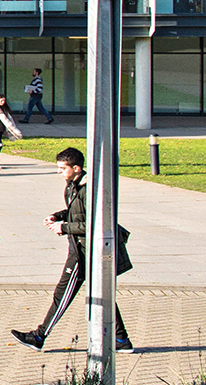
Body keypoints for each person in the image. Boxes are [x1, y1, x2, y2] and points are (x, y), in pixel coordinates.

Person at [11, 147, 134, 353]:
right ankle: (121, 340)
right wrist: (58, 216)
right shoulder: (72, 186)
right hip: (82, 248)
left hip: (85, 252)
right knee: (102, 293)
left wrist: (64, 227)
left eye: (62, 168)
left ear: (76, 168)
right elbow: (76, 212)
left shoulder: (89, 190)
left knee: (63, 293)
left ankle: (39, 336)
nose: (59, 172)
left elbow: (95, 223)